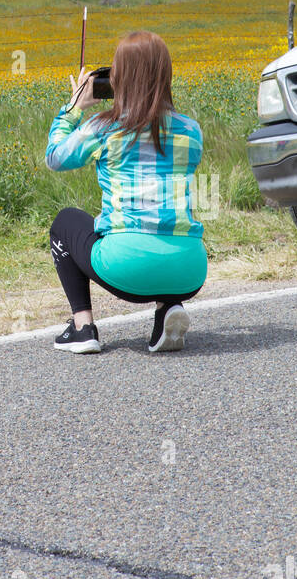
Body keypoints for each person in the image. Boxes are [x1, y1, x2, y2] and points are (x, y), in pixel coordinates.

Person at [45, 30, 207, 354]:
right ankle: (168, 309)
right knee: (167, 218)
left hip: (128, 267)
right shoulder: (192, 130)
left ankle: (82, 328)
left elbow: (55, 158)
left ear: (118, 77)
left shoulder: (104, 127)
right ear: (165, 75)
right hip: (191, 269)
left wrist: (75, 106)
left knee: (66, 223)